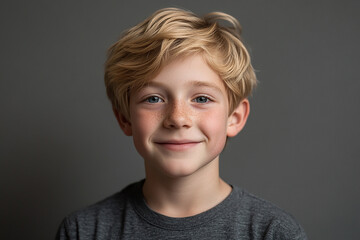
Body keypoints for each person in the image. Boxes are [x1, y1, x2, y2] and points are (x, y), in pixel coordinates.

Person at [56, 7, 307, 239]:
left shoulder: (274, 233)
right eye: (153, 98)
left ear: (234, 118)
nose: (177, 118)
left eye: (201, 98)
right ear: (124, 118)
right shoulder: (83, 231)